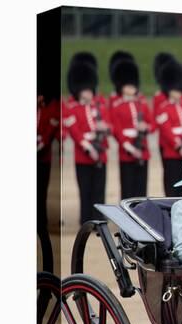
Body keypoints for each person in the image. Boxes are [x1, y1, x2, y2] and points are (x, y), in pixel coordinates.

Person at [64, 61, 110, 225]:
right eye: (85, 90)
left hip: (101, 154)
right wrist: (89, 147)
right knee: (85, 190)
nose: (89, 94)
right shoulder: (72, 109)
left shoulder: (99, 107)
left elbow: (109, 125)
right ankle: (86, 220)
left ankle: (99, 220)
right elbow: (75, 132)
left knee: (99, 189)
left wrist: (104, 128)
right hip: (83, 156)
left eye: (90, 90)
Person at [110, 59, 154, 199]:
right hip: (127, 153)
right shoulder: (117, 106)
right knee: (127, 189)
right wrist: (130, 149)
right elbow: (116, 131)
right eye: (128, 85)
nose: (132, 88)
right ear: (122, 87)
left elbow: (152, 124)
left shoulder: (141, 104)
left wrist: (146, 127)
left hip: (142, 150)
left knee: (141, 189)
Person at [154, 60, 182, 197]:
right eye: (176, 90)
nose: (179, 93)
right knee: (172, 186)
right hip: (172, 153)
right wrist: (179, 147)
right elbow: (167, 132)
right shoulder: (164, 108)